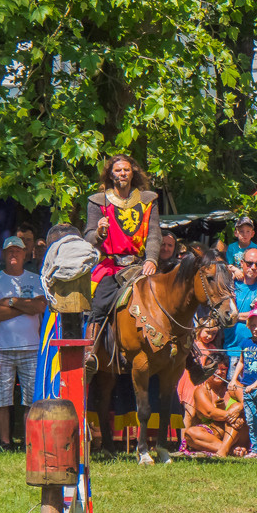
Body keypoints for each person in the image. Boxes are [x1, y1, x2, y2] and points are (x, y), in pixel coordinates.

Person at [83, 155, 160, 370]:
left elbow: (154, 233)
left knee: (167, 299)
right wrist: (98, 232)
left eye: (126, 169)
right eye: (118, 170)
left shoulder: (148, 200)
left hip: (140, 265)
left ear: (133, 172)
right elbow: (87, 236)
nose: (122, 174)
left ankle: (188, 356)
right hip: (111, 266)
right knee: (99, 303)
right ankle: (90, 353)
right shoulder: (98, 202)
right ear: (110, 174)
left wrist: (152, 259)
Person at [0, 234, 46, 448]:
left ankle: (31, 441)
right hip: (1, 348)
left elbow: (39, 307)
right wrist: (23, 306)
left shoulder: (35, 279)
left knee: (31, 398)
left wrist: (10, 301)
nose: (14, 253)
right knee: (1, 399)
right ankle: (5, 442)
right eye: (10, 250)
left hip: (31, 347)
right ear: (3, 254)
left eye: (18, 250)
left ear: (24, 253)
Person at [230, 310, 257, 457]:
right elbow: (241, 362)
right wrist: (233, 379)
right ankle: (255, 448)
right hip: (247, 387)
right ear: (248, 326)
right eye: (253, 325)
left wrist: (255, 385)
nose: (256, 328)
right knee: (251, 418)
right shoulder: (245, 343)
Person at [183, 357, 248, 457]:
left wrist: (238, 408)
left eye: (223, 369)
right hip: (214, 434)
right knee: (191, 433)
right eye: (215, 369)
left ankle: (223, 451)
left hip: (238, 431)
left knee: (235, 408)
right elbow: (210, 412)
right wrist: (231, 415)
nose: (219, 372)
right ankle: (229, 450)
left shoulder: (232, 386)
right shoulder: (201, 390)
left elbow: (248, 401)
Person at [227, 247, 257, 357]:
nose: (253, 267)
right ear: (242, 263)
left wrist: (234, 316)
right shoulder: (231, 284)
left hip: (253, 350)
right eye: (249, 263)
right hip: (230, 348)